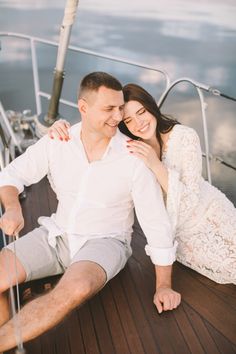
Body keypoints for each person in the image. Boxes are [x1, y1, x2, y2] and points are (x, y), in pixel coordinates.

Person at [0, 72, 181, 353]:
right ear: (83, 108)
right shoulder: (57, 140)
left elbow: (156, 223)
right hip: (55, 234)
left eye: (120, 108)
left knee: (77, 287)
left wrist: (164, 286)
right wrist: (12, 208)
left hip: (105, 242)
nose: (118, 117)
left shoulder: (133, 157)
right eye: (109, 109)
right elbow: (10, 176)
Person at [50, 82, 236, 285]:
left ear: (151, 107)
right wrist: (60, 127)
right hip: (178, 235)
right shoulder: (130, 148)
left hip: (208, 212)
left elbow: (190, 202)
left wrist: (155, 164)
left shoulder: (184, 137)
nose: (139, 123)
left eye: (142, 112)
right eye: (129, 120)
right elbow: (92, 132)